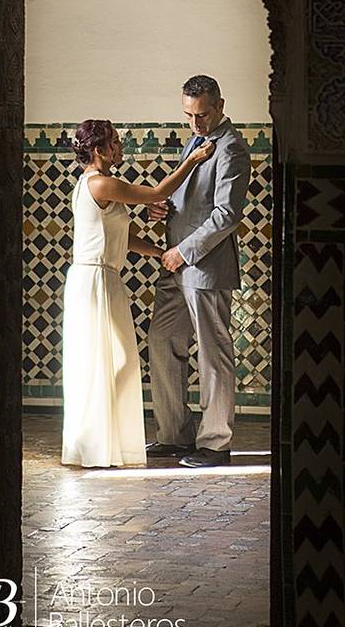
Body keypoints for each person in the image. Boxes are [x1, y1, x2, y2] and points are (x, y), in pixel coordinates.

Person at [61, 119, 215, 468]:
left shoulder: (99, 187)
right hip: (94, 280)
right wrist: (192, 161)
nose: (120, 147)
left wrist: (158, 253)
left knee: (115, 361)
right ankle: (94, 447)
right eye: (114, 142)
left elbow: (121, 237)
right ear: (99, 150)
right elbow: (158, 193)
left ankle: (105, 444)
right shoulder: (101, 183)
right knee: (107, 362)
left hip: (104, 278)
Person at [144, 75, 250, 468]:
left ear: (220, 105)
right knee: (161, 342)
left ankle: (215, 443)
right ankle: (174, 435)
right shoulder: (196, 141)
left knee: (213, 353)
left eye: (203, 115)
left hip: (203, 267)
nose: (196, 123)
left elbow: (226, 215)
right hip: (175, 265)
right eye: (189, 115)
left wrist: (183, 252)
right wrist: (163, 207)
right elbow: (189, 198)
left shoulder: (232, 149)